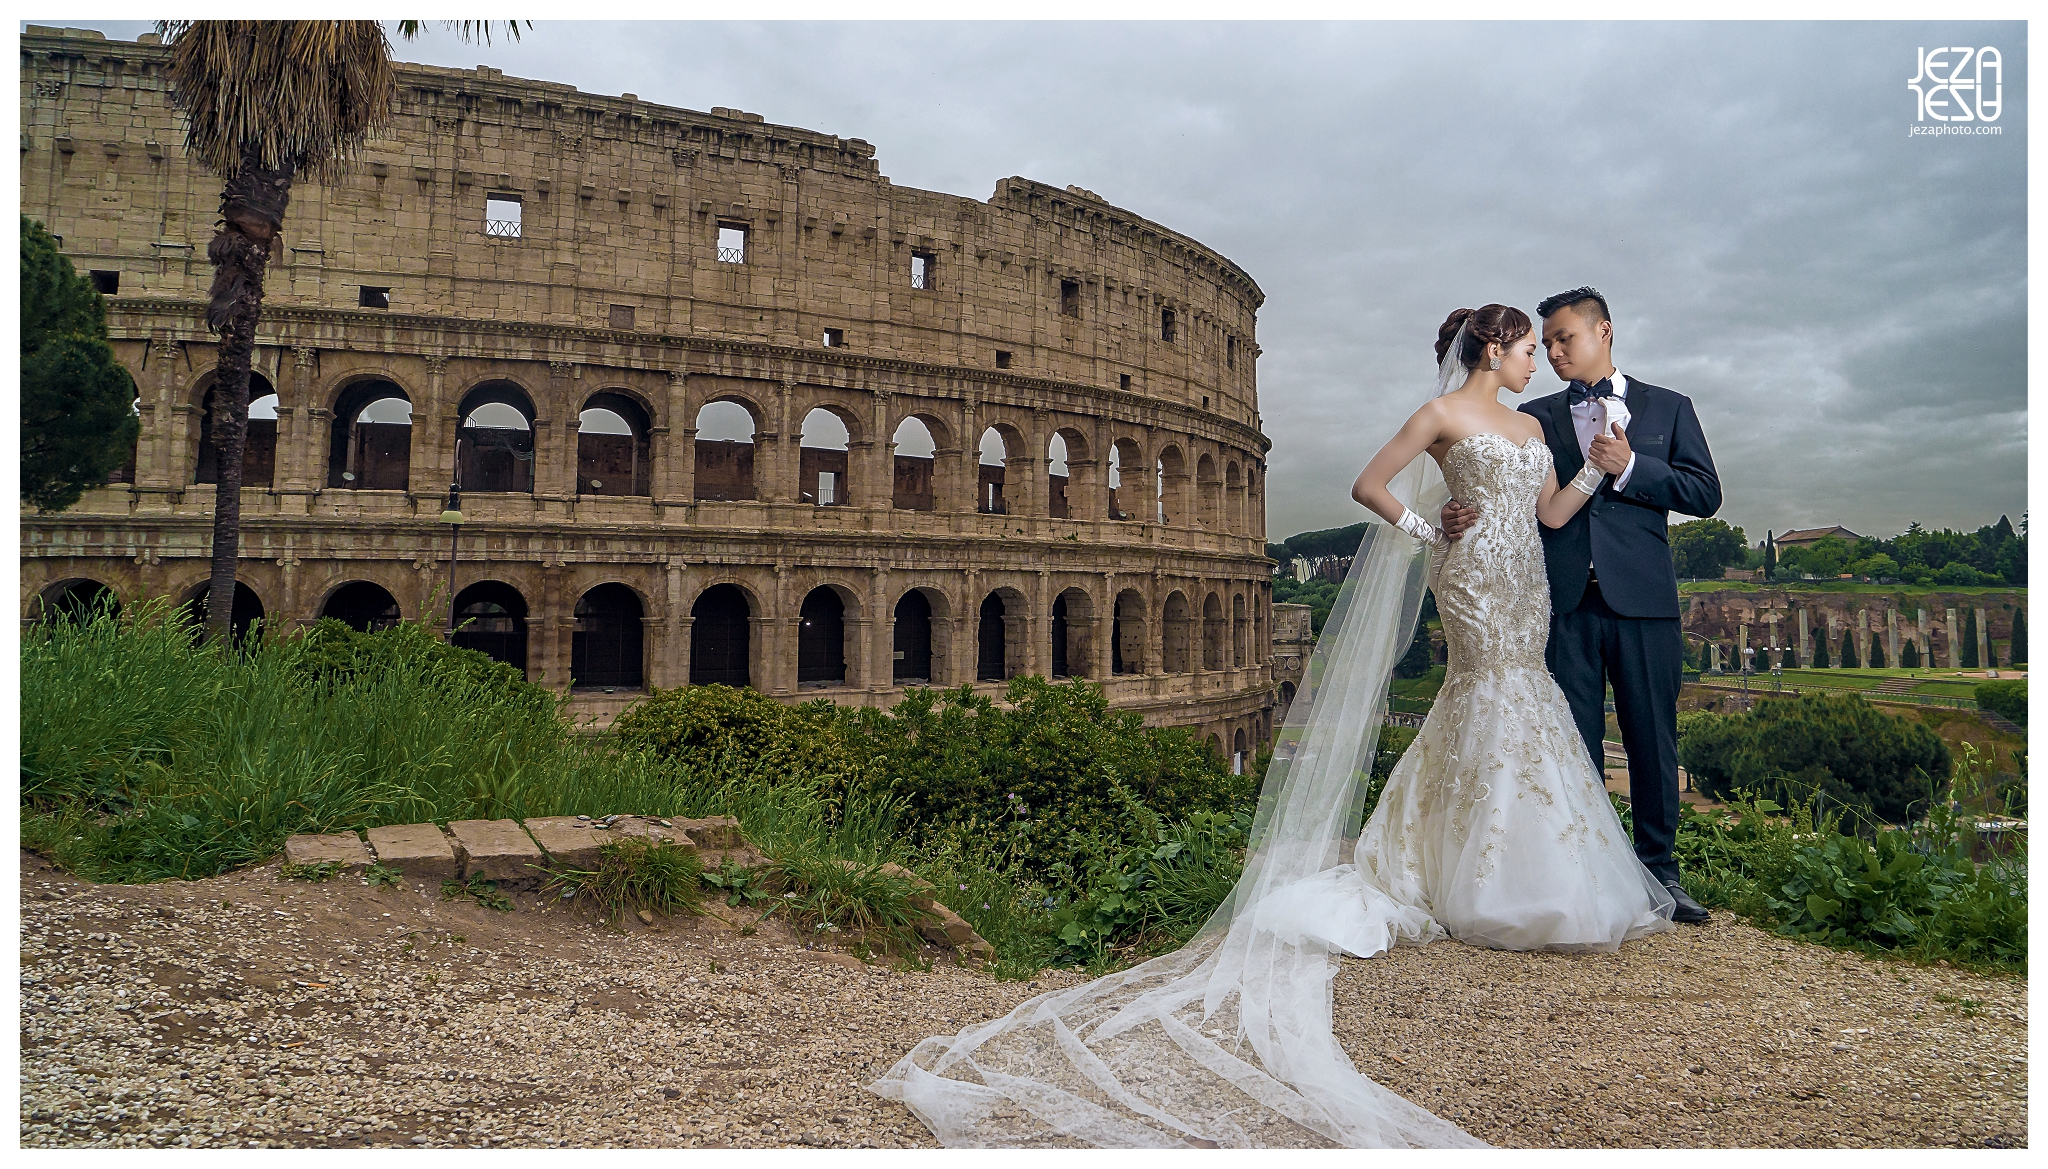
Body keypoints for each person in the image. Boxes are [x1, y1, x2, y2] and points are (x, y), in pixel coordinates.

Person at [866, 306, 1673, 1149]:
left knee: (1523, 695)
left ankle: (1524, 862)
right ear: (1492, 349)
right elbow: (1370, 485)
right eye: (1526, 351)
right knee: (1486, 693)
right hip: (1469, 575)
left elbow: (1549, 517)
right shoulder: (1441, 417)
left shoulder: (1528, 424)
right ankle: (1484, 875)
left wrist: (1598, 468)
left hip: (1525, 579)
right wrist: (1431, 530)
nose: (1537, 363)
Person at [1439, 287, 1720, 924]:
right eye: (1548, 342)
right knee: (1573, 744)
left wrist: (1632, 467)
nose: (1556, 351)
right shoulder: (1532, 415)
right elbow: (1500, 494)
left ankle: (1662, 875)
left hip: (1643, 601)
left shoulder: (1669, 408)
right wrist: (1452, 516)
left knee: (1652, 740)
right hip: (1556, 601)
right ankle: (1590, 874)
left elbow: (1706, 492)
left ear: (1604, 332)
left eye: (1565, 338)